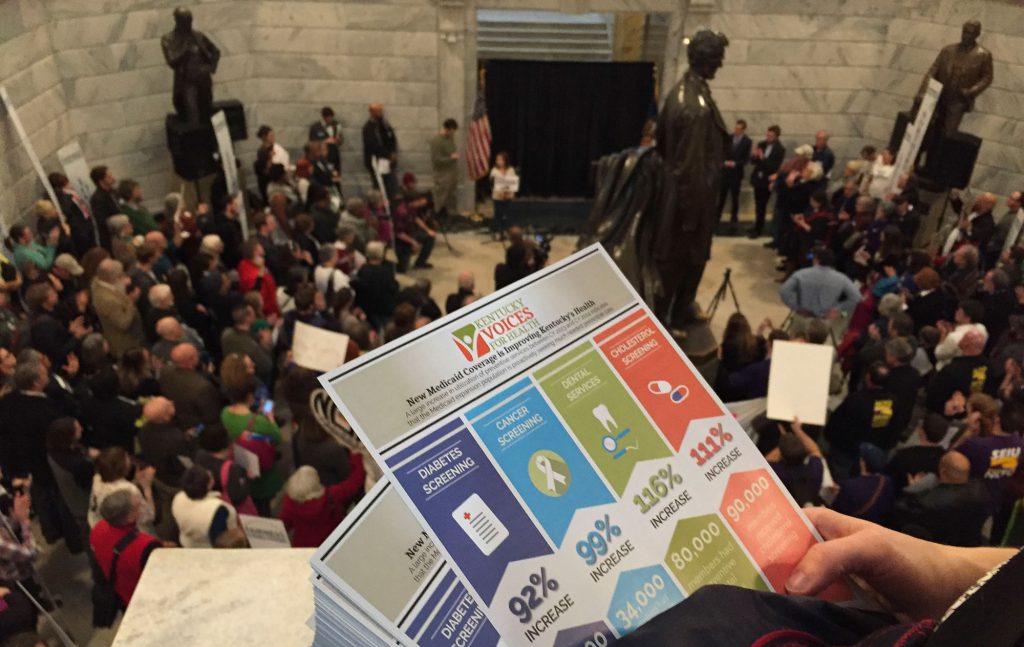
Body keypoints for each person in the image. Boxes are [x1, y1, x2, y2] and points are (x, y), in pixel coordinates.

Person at [653, 30, 729, 331]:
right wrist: (691, 215)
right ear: (707, 60)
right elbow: (690, 168)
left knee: (694, 260)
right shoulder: (693, 107)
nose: (721, 65)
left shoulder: (689, 91)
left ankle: (682, 310)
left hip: (692, 196)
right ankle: (662, 321)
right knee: (676, 262)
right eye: (718, 59)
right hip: (689, 201)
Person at [0, 361, 82, 551]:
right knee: (62, 500)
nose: (48, 375)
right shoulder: (46, 411)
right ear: (37, 382)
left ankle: (51, 531)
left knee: (42, 498)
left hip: (22, 463)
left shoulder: (8, 400)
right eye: (45, 374)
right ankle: (74, 540)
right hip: (46, 462)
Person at [914, 19, 993, 139]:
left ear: (977, 35)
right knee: (927, 132)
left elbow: (987, 77)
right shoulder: (948, 50)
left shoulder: (983, 55)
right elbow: (932, 72)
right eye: (965, 32)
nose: (966, 36)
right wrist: (923, 92)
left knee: (947, 135)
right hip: (938, 96)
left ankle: (940, 156)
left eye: (970, 33)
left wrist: (972, 91)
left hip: (957, 102)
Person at [891, 451, 989, 547]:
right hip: (967, 543)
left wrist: (915, 488)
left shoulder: (927, 502)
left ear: (942, 471)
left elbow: (899, 509)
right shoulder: (981, 490)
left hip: (937, 545)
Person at [90, 489, 165, 610]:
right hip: (144, 598)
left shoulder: (98, 528)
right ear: (130, 517)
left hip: (121, 594)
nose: (141, 507)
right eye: (138, 507)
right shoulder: (146, 545)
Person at [220, 376, 283, 516]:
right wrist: (270, 419)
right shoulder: (259, 422)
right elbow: (278, 438)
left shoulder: (224, 413)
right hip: (261, 473)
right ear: (249, 396)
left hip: (240, 464)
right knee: (263, 507)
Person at [825, 361, 897, 478]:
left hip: (846, 448)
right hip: (871, 447)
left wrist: (829, 437)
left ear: (868, 377)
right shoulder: (890, 401)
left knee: (840, 473)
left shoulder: (855, 401)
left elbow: (836, 424)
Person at [280, 457, 365, 548]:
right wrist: (356, 457)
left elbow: (283, 526)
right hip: (332, 543)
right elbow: (355, 480)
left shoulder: (290, 502)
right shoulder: (332, 495)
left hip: (303, 546)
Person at [779, 247, 861, 332]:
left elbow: (784, 291)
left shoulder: (801, 274)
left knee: (795, 342)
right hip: (824, 320)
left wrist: (796, 306)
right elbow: (856, 297)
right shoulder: (842, 279)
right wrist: (838, 308)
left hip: (802, 316)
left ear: (816, 260)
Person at [160, 7, 220, 123]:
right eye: (186, 21)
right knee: (191, 113)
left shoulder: (198, 36)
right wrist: (186, 52)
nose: (189, 24)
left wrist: (212, 67)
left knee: (206, 110)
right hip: (186, 81)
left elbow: (215, 51)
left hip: (203, 78)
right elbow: (172, 62)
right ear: (177, 21)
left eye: (190, 20)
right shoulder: (168, 39)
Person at [88, 447, 156, 536]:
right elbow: (149, 516)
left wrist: (135, 481)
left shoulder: (97, 478)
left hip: (97, 525)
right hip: (124, 534)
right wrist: (147, 487)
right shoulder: (130, 490)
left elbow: (117, 488)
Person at [193, 423, 254, 514]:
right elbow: (237, 497)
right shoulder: (232, 469)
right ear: (227, 444)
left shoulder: (199, 455)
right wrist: (248, 479)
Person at [172, 465, 238, 548]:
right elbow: (220, 541)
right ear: (209, 485)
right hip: (207, 550)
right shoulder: (217, 509)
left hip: (187, 545)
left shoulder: (178, 497)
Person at [159, 343, 222, 430]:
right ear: (191, 361)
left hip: (178, 421)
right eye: (196, 355)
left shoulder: (164, 372)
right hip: (200, 429)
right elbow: (212, 417)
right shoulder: (203, 388)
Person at [830, 443, 897, 524]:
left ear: (862, 462)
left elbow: (836, 512)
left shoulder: (849, 486)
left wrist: (839, 493)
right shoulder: (887, 481)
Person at [91, 259, 145, 359]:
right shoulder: (107, 300)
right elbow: (123, 323)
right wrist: (131, 301)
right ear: (112, 278)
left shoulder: (97, 281)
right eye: (121, 275)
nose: (124, 277)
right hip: (126, 343)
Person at [81, 364, 142, 451]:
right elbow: (135, 430)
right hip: (121, 450)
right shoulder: (128, 410)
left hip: (98, 444)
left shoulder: (86, 403)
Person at [765, 419, 825, 506]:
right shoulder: (815, 469)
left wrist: (785, 440)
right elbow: (815, 450)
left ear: (782, 457)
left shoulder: (779, 473)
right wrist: (798, 431)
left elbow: (768, 459)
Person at [138, 397, 194, 487]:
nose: (171, 402)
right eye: (168, 405)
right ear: (165, 417)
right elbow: (186, 465)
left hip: (159, 473)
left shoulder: (143, 431)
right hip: (175, 481)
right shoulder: (175, 439)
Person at [221, 305, 273, 386]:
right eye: (252, 313)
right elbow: (267, 366)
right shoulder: (250, 346)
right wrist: (266, 345)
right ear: (247, 318)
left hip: (232, 376)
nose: (255, 314)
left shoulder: (226, 334)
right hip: (250, 381)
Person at [748, 125, 785, 239]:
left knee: (762, 205)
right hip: (758, 178)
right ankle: (756, 225)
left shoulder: (780, 149)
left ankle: (759, 228)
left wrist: (762, 157)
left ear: (776, 136)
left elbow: (773, 167)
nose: (768, 137)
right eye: (767, 135)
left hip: (767, 180)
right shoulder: (762, 144)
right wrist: (754, 155)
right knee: (758, 204)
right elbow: (753, 162)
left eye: (771, 136)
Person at [48, 172, 98, 254]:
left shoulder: (69, 195)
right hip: (80, 228)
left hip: (84, 224)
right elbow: (67, 211)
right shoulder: (65, 197)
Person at [717, 119, 751, 231]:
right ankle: (717, 217)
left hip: (736, 173)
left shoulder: (747, 142)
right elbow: (722, 152)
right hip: (725, 172)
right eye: (735, 128)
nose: (736, 130)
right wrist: (724, 162)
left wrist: (736, 163)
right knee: (721, 196)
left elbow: (746, 160)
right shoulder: (729, 138)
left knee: (735, 197)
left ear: (743, 130)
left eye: (739, 129)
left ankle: (734, 218)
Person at [934, 299, 987, 369]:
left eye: (959, 311)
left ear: (968, 317)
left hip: (947, 369)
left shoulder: (954, 337)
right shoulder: (982, 329)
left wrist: (943, 334)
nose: (956, 312)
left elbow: (939, 354)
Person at [362, 102, 399, 200]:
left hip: (388, 161)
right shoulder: (369, 128)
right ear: (372, 112)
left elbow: (392, 139)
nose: (380, 113)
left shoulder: (384, 125)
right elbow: (373, 146)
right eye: (378, 111)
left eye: (380, 110)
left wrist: (393, 153)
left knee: (390, 187)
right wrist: (387, 155)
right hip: (377, 161)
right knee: (379, 187)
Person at [429, 118, 459, 219]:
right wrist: (450, 158)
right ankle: (437, 217)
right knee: (441, 196)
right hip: (442, 174)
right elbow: (436, 159)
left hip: (451, 172)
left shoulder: (450, 138)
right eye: (453, 131)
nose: (453, 134)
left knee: (451, 195)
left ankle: (451, 216)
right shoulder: (436, 141)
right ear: (448, 129)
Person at [88, 165, 119, 251]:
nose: (112, 178)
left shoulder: (114, 192)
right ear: (101, 180)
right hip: (112, 236)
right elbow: (103, 221)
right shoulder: (97, 199)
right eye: (109, 176)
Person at [489, 152, 518, 237]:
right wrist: (500, 194)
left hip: (508, 196)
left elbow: (513, 183)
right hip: (498, 197)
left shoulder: (511, 170)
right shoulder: (494, 170)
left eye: (500, 159)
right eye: (497, 159)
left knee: (507, 214)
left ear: (505, 160)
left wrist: (508, 193)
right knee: (498, 214)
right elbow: (492, 185)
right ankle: (497, 231)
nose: (498, 161)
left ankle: (506, 230)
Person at [309, 106, 342, 172]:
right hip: (321, 157)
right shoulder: (315, 127)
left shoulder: (336, 125)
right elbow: (312, 143)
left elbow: (340, 139)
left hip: (334, 156)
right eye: (329, 118)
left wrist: (338, 140)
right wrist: (325, 141)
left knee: (335, 174)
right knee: (324, 176)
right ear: (324, 117)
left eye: (331, 118)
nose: (330, 120)